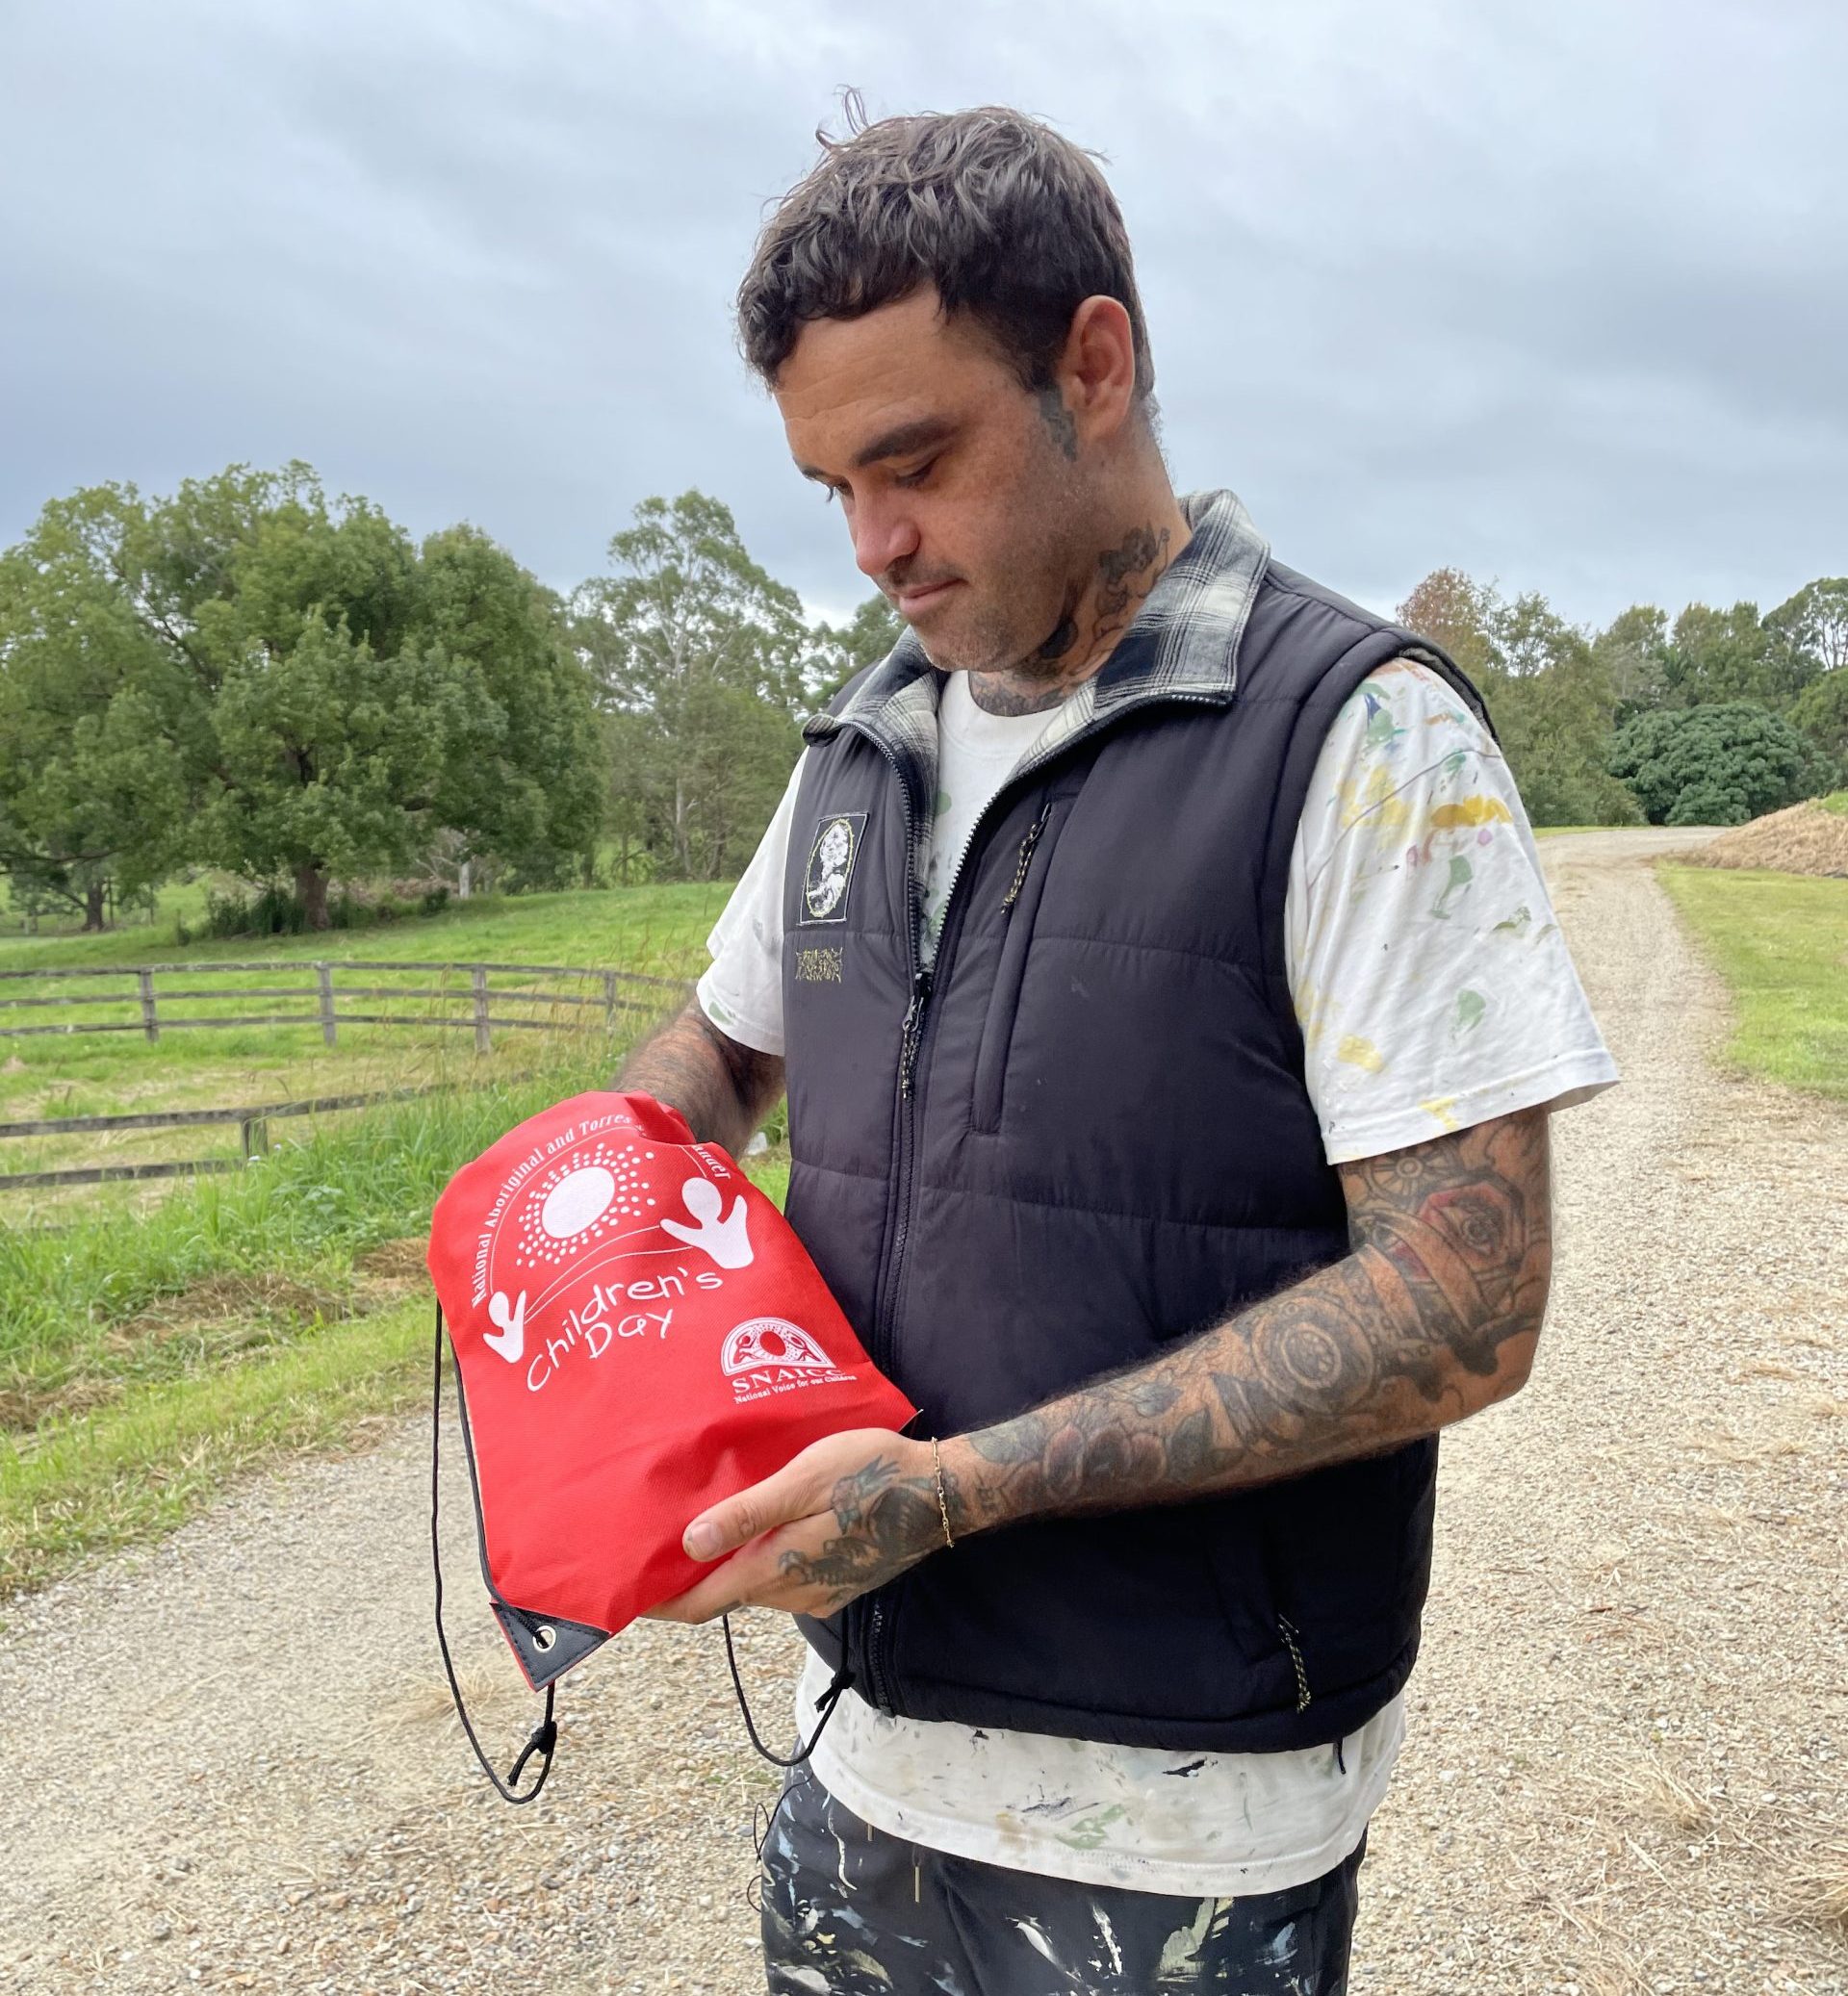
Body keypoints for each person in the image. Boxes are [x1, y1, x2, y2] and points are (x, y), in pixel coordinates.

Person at [620, 104, 1617, 1995]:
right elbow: (720, 1053)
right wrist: (574, 1214)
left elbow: (1467, 1295)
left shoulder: (1357, 740)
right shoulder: (863, 751)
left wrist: (957, 1487)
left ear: (1097, 361)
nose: (873, 546)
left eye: (913, 462)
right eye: (831, 483)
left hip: (1189, 1811)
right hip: (863, 1763)